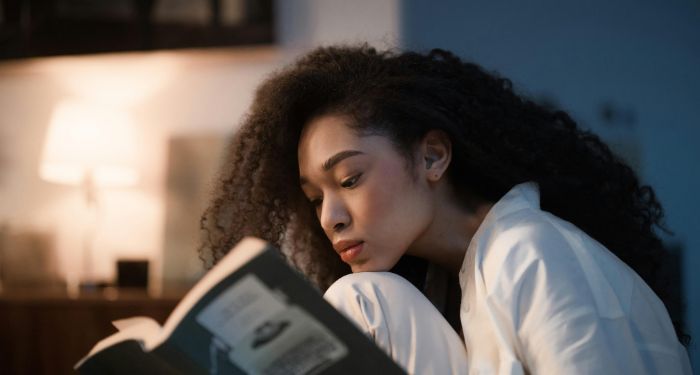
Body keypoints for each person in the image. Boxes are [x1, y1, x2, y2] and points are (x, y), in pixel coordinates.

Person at [199, 45, 692, 374]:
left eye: (349, 179)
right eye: (315, 199)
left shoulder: (532, 251)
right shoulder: (439, 288)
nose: (329, 218)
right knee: (365, 297)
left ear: (432, 156)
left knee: (363, 298)